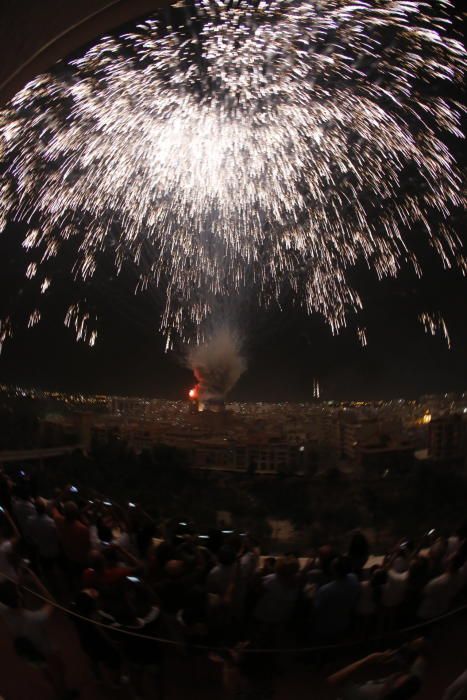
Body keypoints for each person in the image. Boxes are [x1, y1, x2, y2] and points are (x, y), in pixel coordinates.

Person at [327, 637, 427, 699]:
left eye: (398, 679)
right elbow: (419, 663)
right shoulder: (411, 686)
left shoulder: (369, 693)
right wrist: (404, 650)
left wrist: (369, 659)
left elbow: (333, 680)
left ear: (393, 689)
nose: (400, 674)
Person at [312, 555, 359, 642]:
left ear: (333, 571)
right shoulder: (354, 578)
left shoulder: (325, 590)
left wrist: (315, 591)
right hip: (345, 622)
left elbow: (316, 608)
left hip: (325, 627)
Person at [24, 498, 59, 570]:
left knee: (47, 569)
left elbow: (30, 534)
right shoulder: (51, 522)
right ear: (45, 508)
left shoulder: (30, 520)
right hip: (54, 550)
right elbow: (57, 535)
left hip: (42, 550)